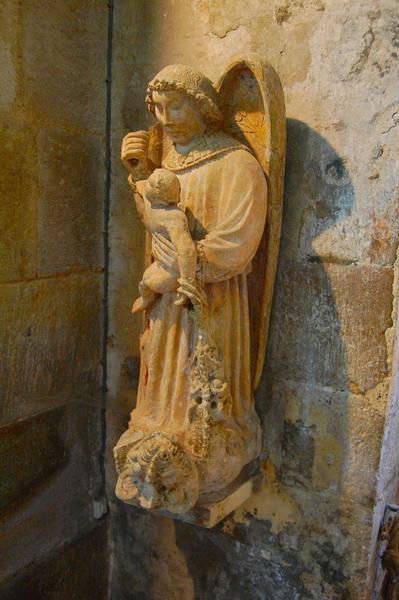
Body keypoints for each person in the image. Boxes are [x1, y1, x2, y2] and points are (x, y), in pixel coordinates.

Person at [116, 64, 268, 494]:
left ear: (203, 108)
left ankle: (206, 440)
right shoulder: (167, 165)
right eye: (159, 108)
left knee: (203, 387)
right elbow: (157, 223)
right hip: (167, 302)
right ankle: (158, 427)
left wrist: (180, 269)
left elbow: (238, 243)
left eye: (176, 105)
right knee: (163, 375)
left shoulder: (236, 163)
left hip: (211, 297)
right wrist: (139, 174)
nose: (165, 118)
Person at [131, 168, 197, 313]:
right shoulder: (164, 212)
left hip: (167, 267)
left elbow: (186, 249)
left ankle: (149, 298)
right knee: (148, 282)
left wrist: (187, 284)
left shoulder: (163, 214)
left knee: (149, 282)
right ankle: (148, 298)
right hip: (166, 266)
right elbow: (186, 250)